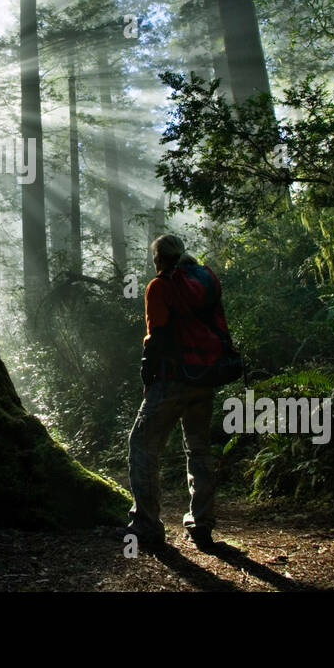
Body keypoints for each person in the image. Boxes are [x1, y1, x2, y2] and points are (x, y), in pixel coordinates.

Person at [121, 233, 228, 553]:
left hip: (172, 379)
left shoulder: (160, 285)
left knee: (141, 443)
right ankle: (202, 522)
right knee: (198, 448)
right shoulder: (205, 279)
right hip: (205, 376)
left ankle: (147, 524)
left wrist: (147, 377)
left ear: (158, 259)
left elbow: (156, 338)